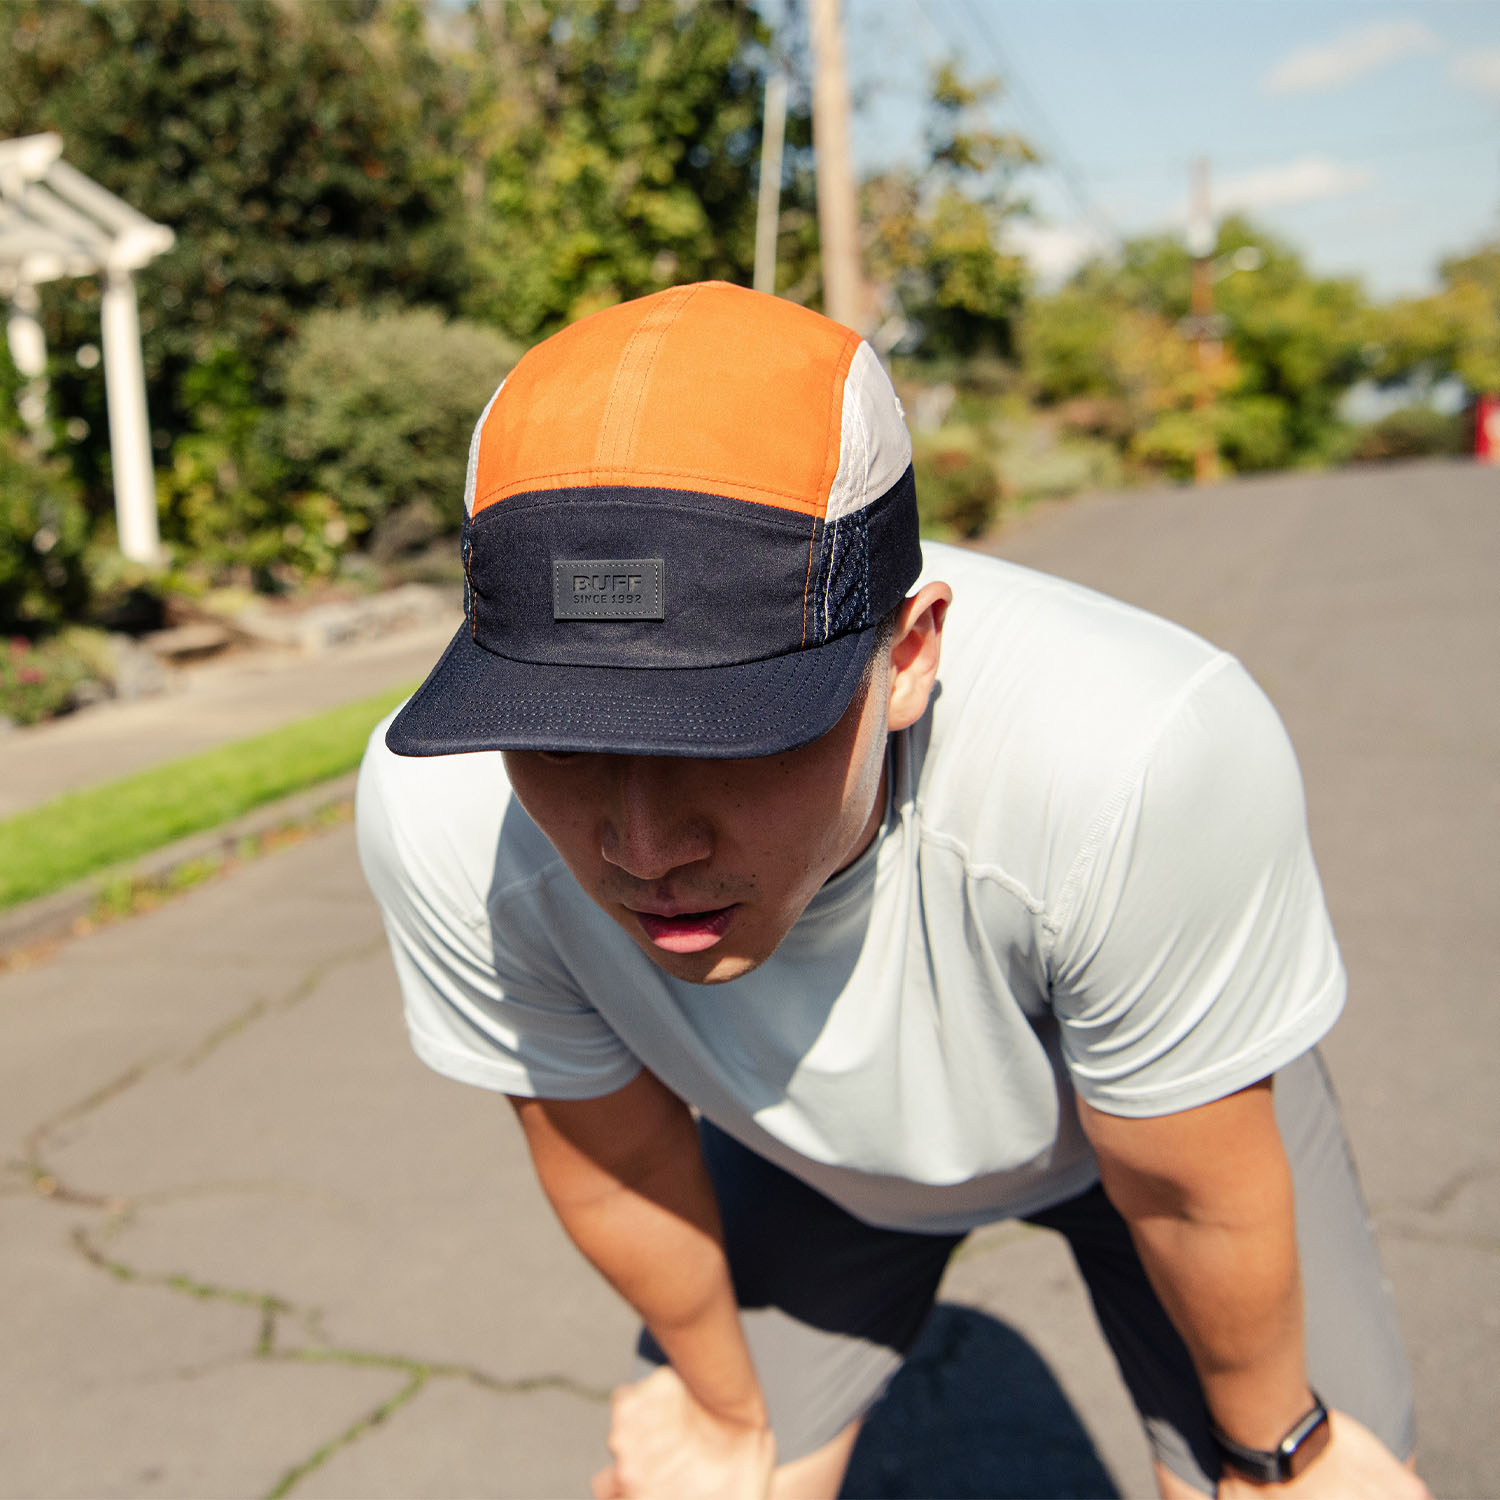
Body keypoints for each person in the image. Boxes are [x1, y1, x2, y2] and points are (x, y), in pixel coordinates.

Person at [357, 281, 1425, 1499]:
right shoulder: (440, 804)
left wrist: (1276, 1447)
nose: (643, 846)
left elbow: (1189, 1192)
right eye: (558, 736)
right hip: (814, 1162)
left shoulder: (1138, 753)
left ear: (909, 653)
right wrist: (721, 1409)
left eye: (731, 737)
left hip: (1149, 1126)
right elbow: (616, 1161)